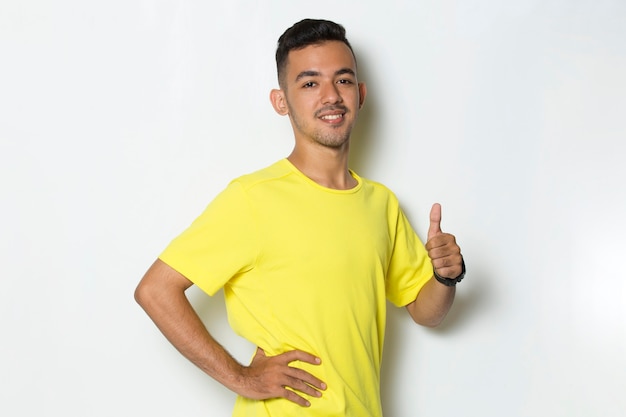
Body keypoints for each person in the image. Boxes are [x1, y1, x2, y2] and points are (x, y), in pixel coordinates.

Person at [135, 18, 465, 417]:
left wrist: (445, 276)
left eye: (342, 80)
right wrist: (241, 378)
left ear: (360, 94)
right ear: (281, 101)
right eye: (309, 83)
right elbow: (155, 290)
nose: (330, 96)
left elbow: (425, 311)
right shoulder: (252, 199)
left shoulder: (381, 204)